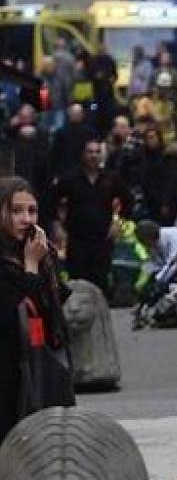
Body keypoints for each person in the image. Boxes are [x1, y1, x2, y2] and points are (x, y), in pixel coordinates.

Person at [1, 177, 74, 442]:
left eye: (32, 211)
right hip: (9, 366)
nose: (26, 219)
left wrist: (44, 262)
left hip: (40, 359)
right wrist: (31, 266)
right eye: (16, 211)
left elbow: (55, 302)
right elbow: (12, 311)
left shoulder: (37, 251)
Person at [52, 138, 131, 296]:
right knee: (77, 281)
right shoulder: (70, 179)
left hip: (102, 238)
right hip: (77, 238)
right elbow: (50, 202)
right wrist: (57, 226)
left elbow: (128, 200)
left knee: (100, 281)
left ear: (102, 155)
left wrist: (118, 222)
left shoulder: (111, 178)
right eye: (90, 152)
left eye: (97, 152)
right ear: (83, 155)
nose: (93, 156)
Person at [49, 104, 91, 180]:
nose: (76, 115)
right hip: (64, 172)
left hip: (84, 173)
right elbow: (54, 154)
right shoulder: (61, 133)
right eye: (74, 113)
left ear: (83, 115)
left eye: (78, 113)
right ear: (69, 114)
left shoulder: (89, 133)